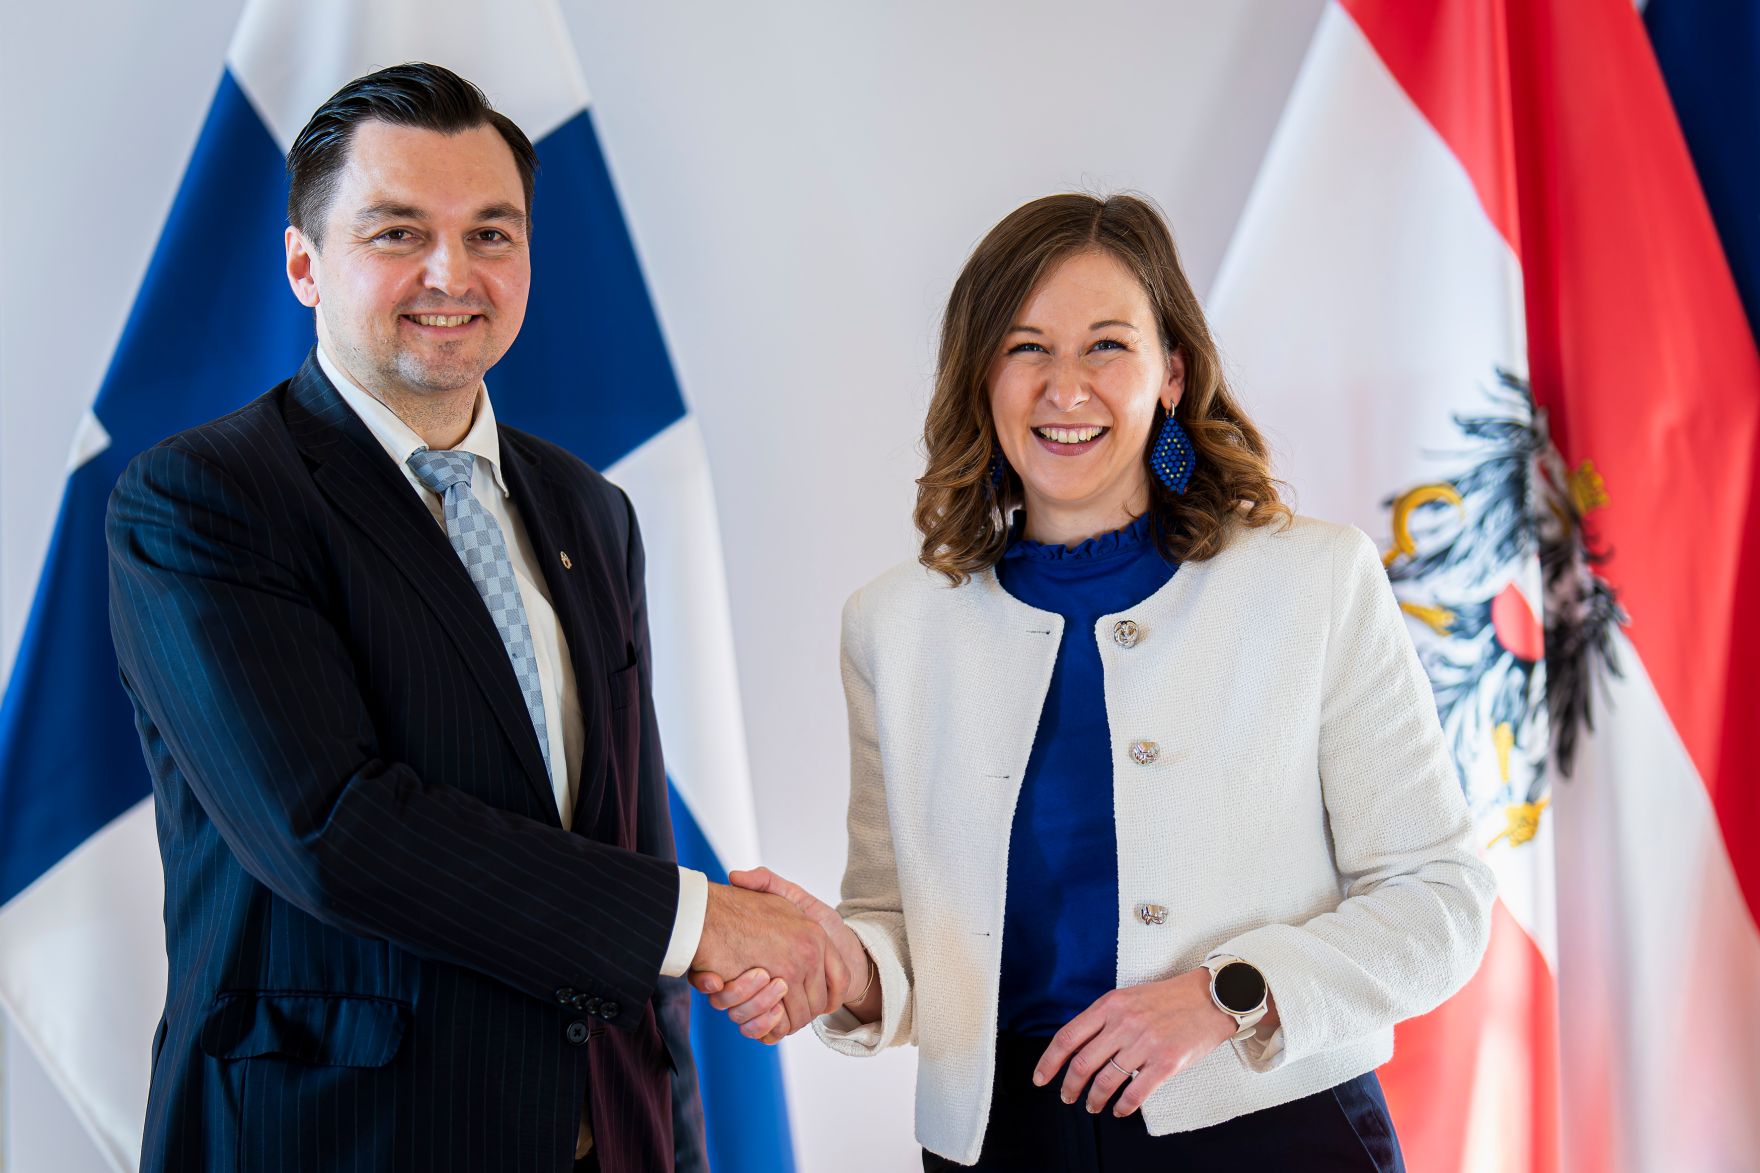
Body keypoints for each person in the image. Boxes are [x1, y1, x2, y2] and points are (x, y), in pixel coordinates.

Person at [107, 63, 845, 1173]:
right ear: (304, 264)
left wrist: (674, 1147)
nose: (451, 272)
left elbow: (624, 842)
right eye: (398, 232)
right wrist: (705, 921)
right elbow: (332, 833)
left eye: (491, 235)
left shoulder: (591, 512)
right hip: (335, 1143)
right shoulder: (202, 500)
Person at [697, 193, 1496, 1170]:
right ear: (979, 378)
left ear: (1170, 374)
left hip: (1272, 1134)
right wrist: (844, 968)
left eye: (1104, 346)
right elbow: (905, 933)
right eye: (1024, 347)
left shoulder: (1312, 583)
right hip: (1003, 1143)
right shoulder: (893, 627)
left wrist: (1225, 994)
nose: (1061, 387)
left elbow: (1437, 897)